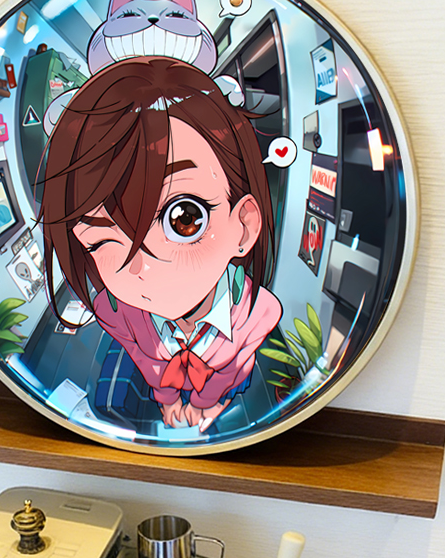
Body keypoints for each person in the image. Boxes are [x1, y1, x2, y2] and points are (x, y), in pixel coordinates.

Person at [38, 57, 281, 432]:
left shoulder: (260, 311)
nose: (139, 267)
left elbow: (234, 367)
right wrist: (166, 400)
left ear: (244, 227)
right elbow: (146, 361)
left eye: (185, 218)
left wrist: (205, 404)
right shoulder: (113, 311)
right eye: (100, 240)